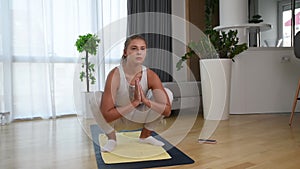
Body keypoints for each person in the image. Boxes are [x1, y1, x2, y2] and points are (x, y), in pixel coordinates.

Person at [97, 35, 173, 152]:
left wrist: (146, 101)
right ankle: (111, 139)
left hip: (141, 117)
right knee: (95, 97)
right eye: (134, 48)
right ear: (125, 52)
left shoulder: (150, 75)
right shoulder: (115, 75)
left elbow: (167, 111)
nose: (139, 52)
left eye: (142, 49)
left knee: (168, 93)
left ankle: (145, 136)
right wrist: (134, 102)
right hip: (119, 119)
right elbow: (107, 115)